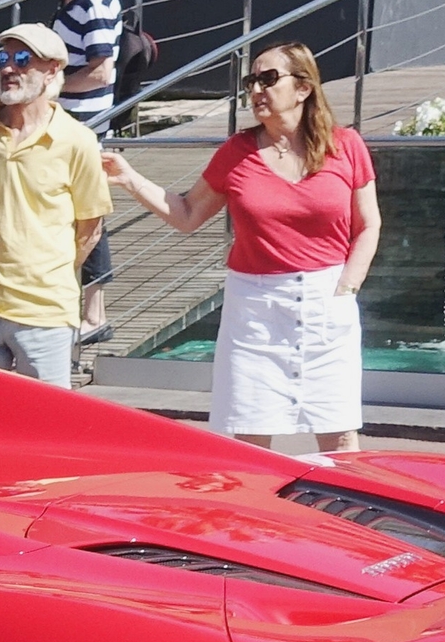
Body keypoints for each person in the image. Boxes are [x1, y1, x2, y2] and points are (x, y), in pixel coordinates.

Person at [101, 41, 379, 452]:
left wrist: (347, 288)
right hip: (256, 310)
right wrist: (129, 178)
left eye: (269, 79)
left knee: (338, 434)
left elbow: (369, 224)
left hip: (328, 299)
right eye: (252, 81)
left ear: (303, 88)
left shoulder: (346, 145)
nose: (256, 90)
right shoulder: (237, 152)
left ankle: (346, 515)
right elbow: (188, 214)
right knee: (251, 438)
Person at [0, 22, 111, 387]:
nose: (9, 68)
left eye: (22, 59)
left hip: (45, 313)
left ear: (52, 71)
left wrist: (46, 269)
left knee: (44, 429)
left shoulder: (78, 141)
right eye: (3, 58)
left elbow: (90, 229)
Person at [30, 0, 125, 347]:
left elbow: (103, 71)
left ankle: (94, 313)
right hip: (66, 119)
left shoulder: (94, 3)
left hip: (84, 124)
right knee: (67, 211)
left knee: (86, 213)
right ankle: (75, 305)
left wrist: (51, 85)